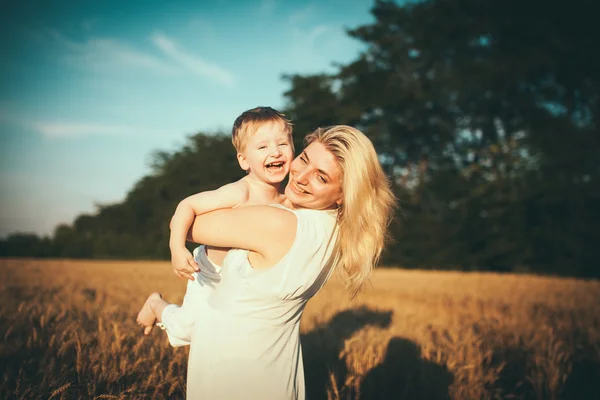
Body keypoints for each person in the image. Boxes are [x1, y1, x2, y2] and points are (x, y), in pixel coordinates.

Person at [140, 125, 396, 399]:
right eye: (305, 160)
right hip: (276, 368)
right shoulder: (335, 230)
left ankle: (157, 306)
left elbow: (192, 225)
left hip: (232, 372)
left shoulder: (278, 222)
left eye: (321, 177)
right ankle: (159, 307)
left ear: (344, 193)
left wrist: (249, 199)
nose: (301, 177)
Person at [136, 106, 294, 345]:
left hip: (244, 278)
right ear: (244, 161)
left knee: (235, 333)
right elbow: (186, 206)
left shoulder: (289, 197)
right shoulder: (241, 191)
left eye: (282, 144)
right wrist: (177, 249)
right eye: (262, 147)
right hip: (210, 273)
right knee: (189, 329)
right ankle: (155, 304)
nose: (275, 152)